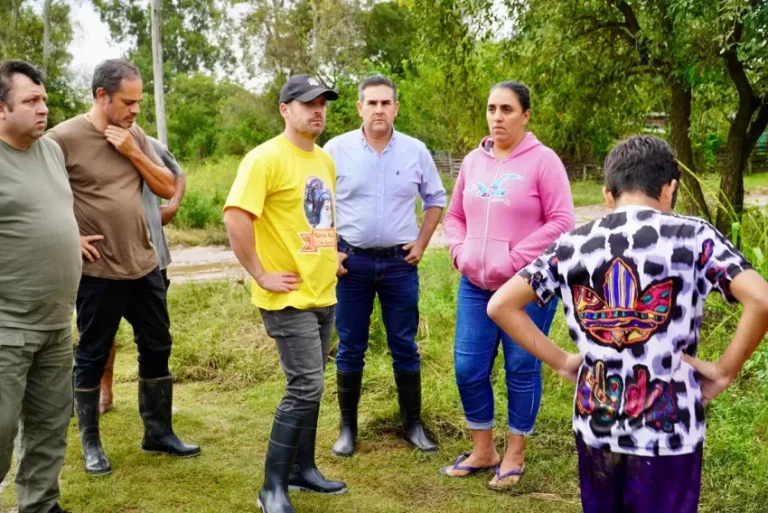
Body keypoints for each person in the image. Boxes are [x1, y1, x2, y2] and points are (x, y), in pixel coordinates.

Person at [487, 134, 768, 513]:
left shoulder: (572, 244)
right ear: (669, 189)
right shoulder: (692, 237)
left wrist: (561, 360)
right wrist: (723, 371)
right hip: (669, 432)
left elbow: (501, 305)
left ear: (607, 193)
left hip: (596, 426)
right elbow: (761, 300)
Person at [47, 59, 199, 477]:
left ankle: (158, 433)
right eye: (128, 102)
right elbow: (42, 198)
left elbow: (167, 187)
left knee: (158, 347)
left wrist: (133, 151)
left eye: (139, 102)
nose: (135, 110)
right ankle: (91, 444)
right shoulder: (62, 139)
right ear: (101, 96)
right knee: (92, 354)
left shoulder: (135, 135)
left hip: (144, 262)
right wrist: (71, 238)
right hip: (99, 271)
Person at [441, 81, 575, 490]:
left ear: (525, 115)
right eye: (491, 109)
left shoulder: (544, 161)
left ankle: (515, 452)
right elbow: (453, 216)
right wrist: (461, 253)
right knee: (468, 368)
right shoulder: (472, 162)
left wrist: (514, 258)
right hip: (475, 285)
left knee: (521, 367)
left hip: (526, 288)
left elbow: (562, 221)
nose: (497, 117)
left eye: (507, 109)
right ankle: (484, 450)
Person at [223, 74, 346, 513]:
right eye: (308, 103)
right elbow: (236, 217)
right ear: (285, 109)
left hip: (323, 292)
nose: (318, 110)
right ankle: (271, 486)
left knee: (312, 386)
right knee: (305, 385)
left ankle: (303, 470)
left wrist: (333, 255)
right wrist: (259, 273)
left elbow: (319, 219)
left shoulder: (325, 160)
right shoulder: (264, 159)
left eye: (323, 104)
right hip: (286, 297)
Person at [324, 75, 446, 456]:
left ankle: (412, 425)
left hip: (399, 264)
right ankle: (347, 429)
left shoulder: (415, 151)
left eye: (386, 103)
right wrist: (331, 250)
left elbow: (435, 198)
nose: (379, 109)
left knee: (404, 346)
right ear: (359, 107)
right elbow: (317, 205)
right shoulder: (335, 150)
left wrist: (422, 242)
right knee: (350, 347)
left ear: (396, 108)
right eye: (371, 102)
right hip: (351, 263)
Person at [0, 59, 79, 513]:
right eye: (30, 100)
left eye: (44, 99)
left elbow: (47, 211)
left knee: (50, 426)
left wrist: (67, 235)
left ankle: (40, 506)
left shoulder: (50, 151)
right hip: (7, 326)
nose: (43, 108)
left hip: (55, 323)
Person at [99, 135, 187, 414]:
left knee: (153, 335)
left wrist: (172, 206)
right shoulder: (88, 145)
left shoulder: (149, 144)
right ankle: (104, 394)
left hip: (153, 259)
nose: (132, 111)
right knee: (102, 334)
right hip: (107, 260)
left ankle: (154, 404)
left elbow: (178, 174)